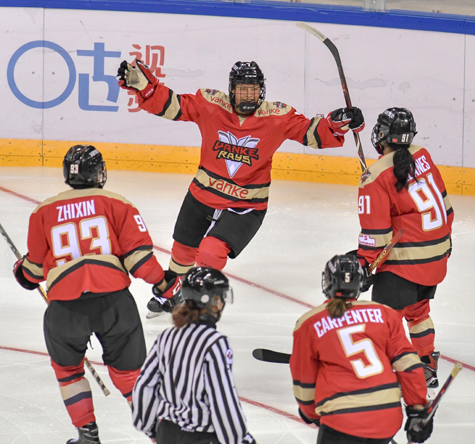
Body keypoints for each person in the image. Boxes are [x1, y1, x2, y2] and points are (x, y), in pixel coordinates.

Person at [117, 59, 365, 316]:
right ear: (231, 90)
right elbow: (174, 106)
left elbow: (312, 133)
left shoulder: (277, 116)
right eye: (242, 89)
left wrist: (338, 122)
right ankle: (173, 293)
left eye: (253, 89)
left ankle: (199, 304)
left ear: (262, 90)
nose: (248, 94)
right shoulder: (210, 104)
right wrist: (148, 89)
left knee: (210, 253)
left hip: (246, 205)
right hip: (202, 193)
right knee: (182, 249)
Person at [12, 145, 182, 444]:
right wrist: (166, 285)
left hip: (65, 308)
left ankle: (88, 439)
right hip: (114, 302)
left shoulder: (44, 211)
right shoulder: (118, 203)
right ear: (99, 173)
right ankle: (162, 439)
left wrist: (21, 271)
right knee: (131, 375)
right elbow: (140, 260)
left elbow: (33, 272)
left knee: (68, 371)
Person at [290, 254, 431, 444]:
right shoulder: (385, 314)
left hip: (344, 418)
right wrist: (417, 409)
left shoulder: (309, 323)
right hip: (386, 416)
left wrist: (310, 413)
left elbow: (305, 384)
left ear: (327, 283)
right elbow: (408, 364)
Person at [132, 267, 267, 444]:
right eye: (218, 298)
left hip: (168, 442)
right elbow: (222, 398)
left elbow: (144, 386)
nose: (221, 304)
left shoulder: (167, 337)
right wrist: (244, 441)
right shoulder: (213, 343)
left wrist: (153, 431)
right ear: (208, 302)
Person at [355, 108, 454, 391]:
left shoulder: (374, 175)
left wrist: (364, 264)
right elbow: (446, 207)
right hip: (437, 256)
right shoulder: (422, 154)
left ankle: (379, 371)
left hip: (406, 263)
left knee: (383, 318)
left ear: (383, 135)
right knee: (418, 311)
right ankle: (426, 364)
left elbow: (376, 234)